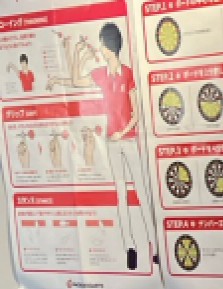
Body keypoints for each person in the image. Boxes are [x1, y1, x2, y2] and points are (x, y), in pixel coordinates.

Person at [47, 23, 152, 271]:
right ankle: (130, 248)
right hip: (111, 143)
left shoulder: (127, 73)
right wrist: (74, 53)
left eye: (103, 45)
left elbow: (136, 114)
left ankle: (154, 247)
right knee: (121, 195)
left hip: (128, 140)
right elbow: (75, 81)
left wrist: (122, 133)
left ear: (109, 46)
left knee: (141, 192)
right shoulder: (101, 75)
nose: (101, 49)